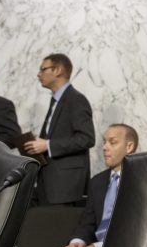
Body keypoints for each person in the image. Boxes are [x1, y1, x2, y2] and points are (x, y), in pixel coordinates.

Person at [33, 124, 138, 247]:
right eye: (104, 142)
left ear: (129, 147)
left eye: (112, 142)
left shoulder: (141, 182)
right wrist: (76, 243)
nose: (105, 147)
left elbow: (132, 232)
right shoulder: (97, 182)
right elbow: (86, 224)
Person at [24, 53, 95, 205]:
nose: (38, 74)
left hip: (65, 187)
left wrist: (47, 145)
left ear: (57, 71)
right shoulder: (57, 100)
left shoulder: (76, 99)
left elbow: (87, 138)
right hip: (48, 183)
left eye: (43, 69)